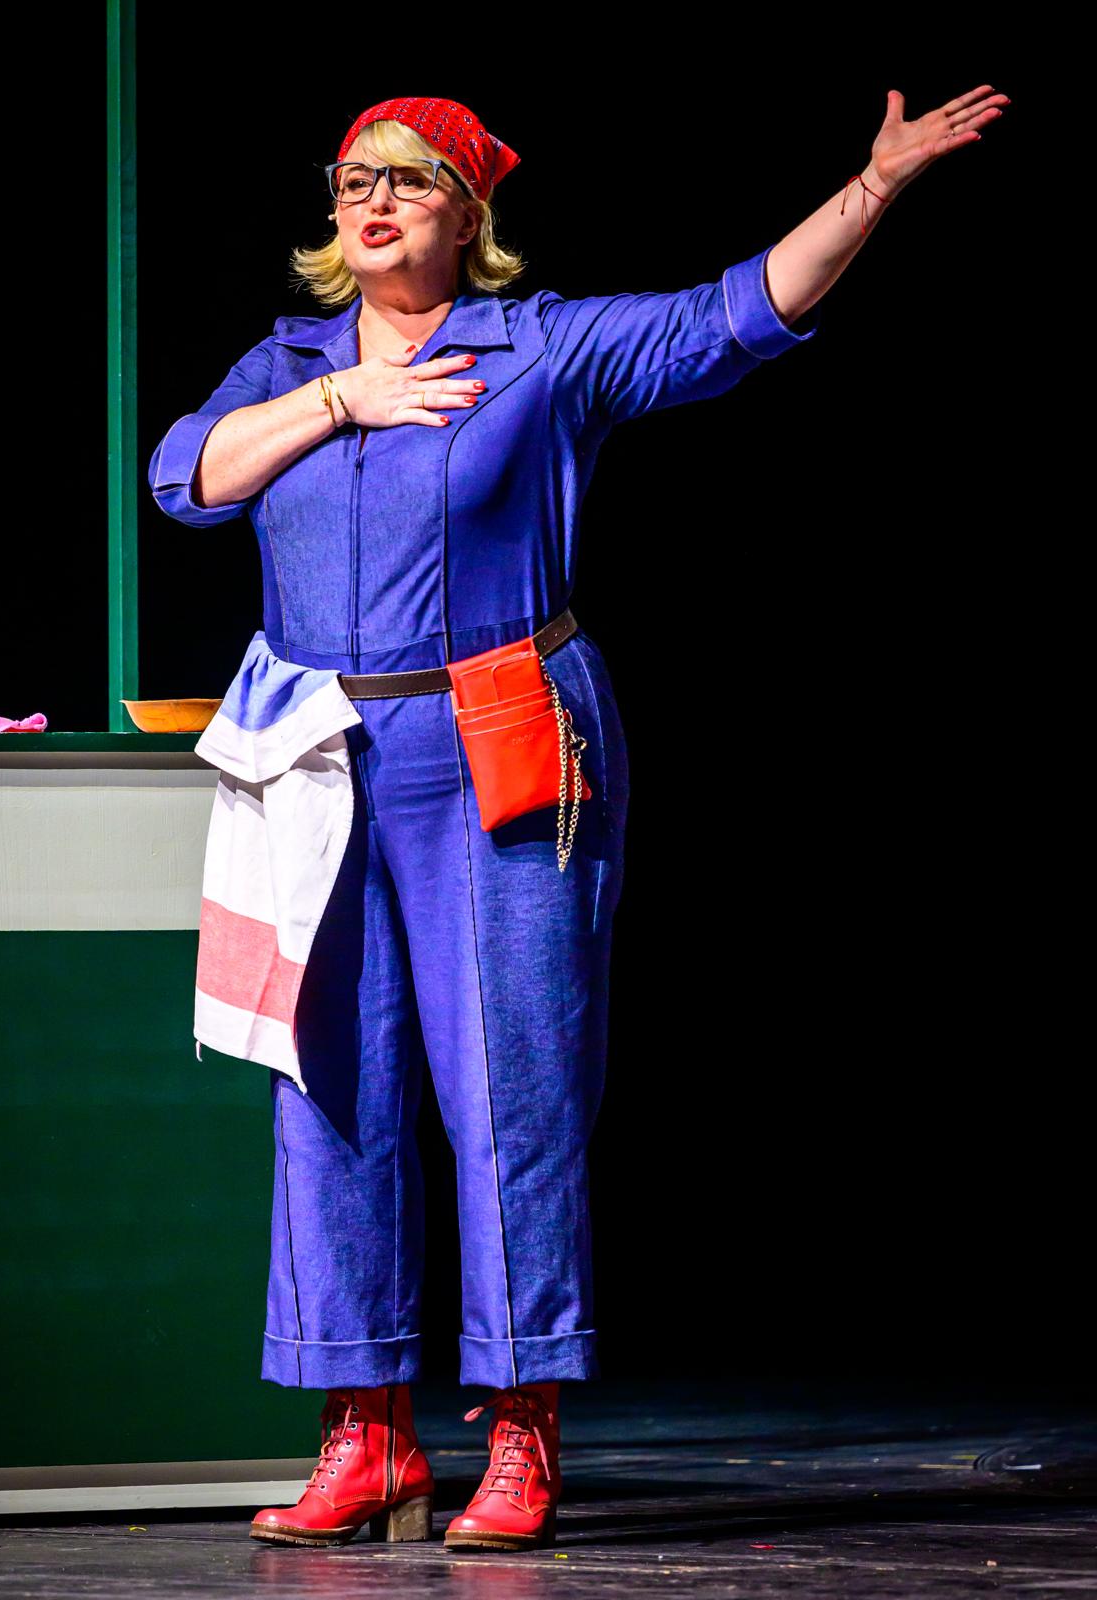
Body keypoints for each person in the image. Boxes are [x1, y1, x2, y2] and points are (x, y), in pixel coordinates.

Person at [148, 87, 1010, 1554]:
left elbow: (735, 316)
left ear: (468, 213)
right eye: (355, 179)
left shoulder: (538, 351)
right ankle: (366, 1435)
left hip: (497, 733)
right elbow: (188, 480)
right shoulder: (287, 362)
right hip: (319, 752)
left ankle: (521, 1428)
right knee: (331, 1087)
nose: (374, 201)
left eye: (411, 181)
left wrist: (872, 189)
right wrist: (344, 401)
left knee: (514, 1091)